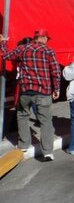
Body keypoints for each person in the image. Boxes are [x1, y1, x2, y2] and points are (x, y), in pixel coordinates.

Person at [0, 29, 61, 161]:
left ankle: (23, 144)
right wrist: (56, 89)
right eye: (47, 39)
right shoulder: (49, 51)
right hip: (43, 92)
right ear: (43, 38)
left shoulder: (22, 48)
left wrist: (3, 43)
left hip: (26, 91)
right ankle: (48, 152)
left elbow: (6, 56)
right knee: (46, 121)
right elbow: (55, 71)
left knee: (22, 116)